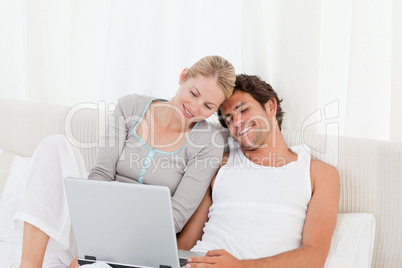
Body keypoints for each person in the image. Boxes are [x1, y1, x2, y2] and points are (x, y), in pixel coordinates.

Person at [16, 56, 236, 268]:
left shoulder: (209, 143)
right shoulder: (130, 106)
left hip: (139, 247)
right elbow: (101, 173)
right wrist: (91, 239)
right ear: (183, 76)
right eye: (193, 93)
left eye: (207, 106)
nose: (195, 108)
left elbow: (175, 218)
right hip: (91, 225)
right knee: (55, 145)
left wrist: (98, 255)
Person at [177, 74, 340, 268]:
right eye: (229, 120)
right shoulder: (219, 164)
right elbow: (184, 245)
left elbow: (313, 257)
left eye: (244, 110)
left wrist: (240, 266)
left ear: (271, 106)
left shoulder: (319, 174)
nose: (237, 123)